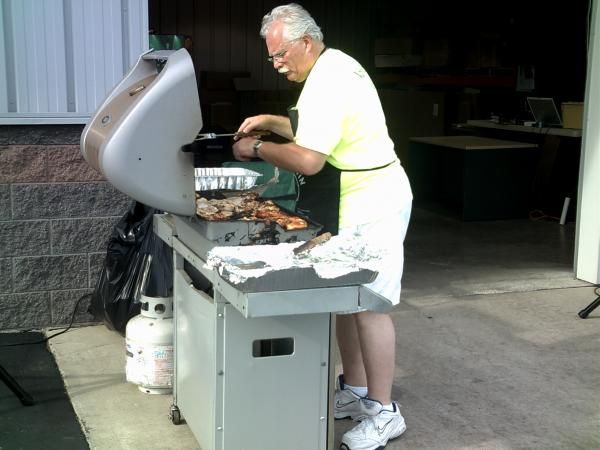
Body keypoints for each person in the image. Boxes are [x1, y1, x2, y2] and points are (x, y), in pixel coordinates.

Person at [232, 4, 412, 450]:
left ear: (305, 42)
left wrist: (256, 147)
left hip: (378, 201)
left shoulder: (328, 82)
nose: (276, 64)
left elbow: (310, 159)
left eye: (279, 55)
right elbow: (315, 130)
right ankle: (353, 389)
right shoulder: (332, 66)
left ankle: (385, 412)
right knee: (345, 300)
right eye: (271, 57)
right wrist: (272, 122)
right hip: (352, 200)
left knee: (370, 304)